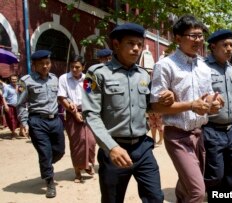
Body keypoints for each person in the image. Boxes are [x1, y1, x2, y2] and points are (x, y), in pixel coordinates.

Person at [81, 22, 173, 203]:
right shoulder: (96, 74)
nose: (136, 48)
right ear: (116, 44)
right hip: (114, 150)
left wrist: (167, 98)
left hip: (143, 148)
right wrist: (111, 147)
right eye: (131, 43)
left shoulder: (144, 75)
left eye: (139, 44)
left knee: (155, 197)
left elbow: (151, 106)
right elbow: (91, 114)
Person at [150, 15, 223, 203]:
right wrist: (191, 105)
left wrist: (215, 102)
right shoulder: (165, 66)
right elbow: (156, 106)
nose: (198, 40)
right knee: (198, 192)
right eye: (193, 35)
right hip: (178, 137)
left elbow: (206, 97)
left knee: (187, 186)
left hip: (199, 134)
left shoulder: (204, 67)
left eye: (200, 35)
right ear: (178, 38)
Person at [16, 50, 65, 198]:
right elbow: (20, 104)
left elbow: (61, 98)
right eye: (41, 64)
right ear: (34, 65)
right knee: (45, 153)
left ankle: (47, 165)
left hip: (55, 120)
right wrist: (24, 122)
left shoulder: (54, 79)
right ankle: (49, 182)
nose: (45, 66)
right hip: (37, 121)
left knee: (60, 150)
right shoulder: (26, 81)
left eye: (47, 63)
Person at [203, 29, 232, 190]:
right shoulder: (203, 68)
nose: (229, 49)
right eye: (225, 45)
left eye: (231, 45)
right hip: (211, 130)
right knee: (215, 174)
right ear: (213, 47)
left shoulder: (231, 69)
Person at [58, 55, 96, 183]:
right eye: (72, 66)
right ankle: (77, 172)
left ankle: (88, 164)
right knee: (76, 144)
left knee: (90, 141)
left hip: (87, 113)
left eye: (78, 67)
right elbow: (61, 98)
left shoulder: (88, 79)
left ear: (83, 67)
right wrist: (73, 111)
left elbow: (92, 97)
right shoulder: (64, 78)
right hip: (71, 113)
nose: (74, 69)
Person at [1, 74, 20, 138]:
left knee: (18, 119)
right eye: (12, 79)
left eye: (15, 79)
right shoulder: (7, 87)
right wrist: (5, 105)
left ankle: (20, 131)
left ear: (17, 79)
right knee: (11, 119)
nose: (14, 80)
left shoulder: (20, 86)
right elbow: (3, 97)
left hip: (18, 106)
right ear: (10, 80)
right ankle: (13, 132)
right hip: (10, 105)